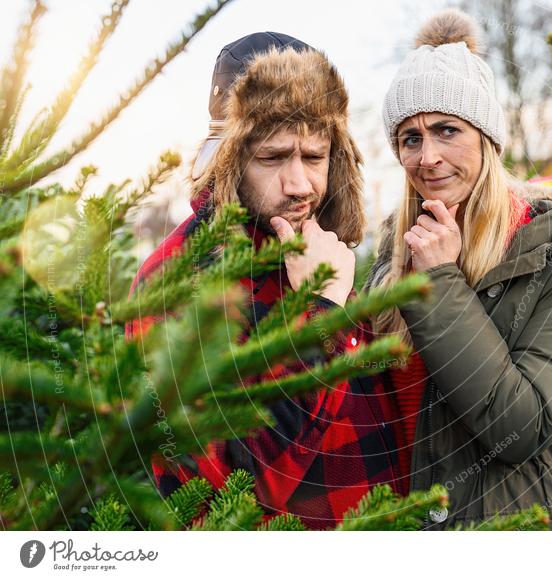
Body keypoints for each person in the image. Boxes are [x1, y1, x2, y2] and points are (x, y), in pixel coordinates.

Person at [366, 10, 552, 530]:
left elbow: (523, 422)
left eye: (447, 130)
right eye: (410, 138)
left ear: (487, 139)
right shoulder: (394, 256)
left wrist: (441, 284)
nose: (428, 157)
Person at [126, 32, 400, 529]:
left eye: (315, 157)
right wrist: (322, 312)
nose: (300, 184)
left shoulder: (316, 245)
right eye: (273, 158)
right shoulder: (179, 283)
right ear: (228, 158)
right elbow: (244, 481)